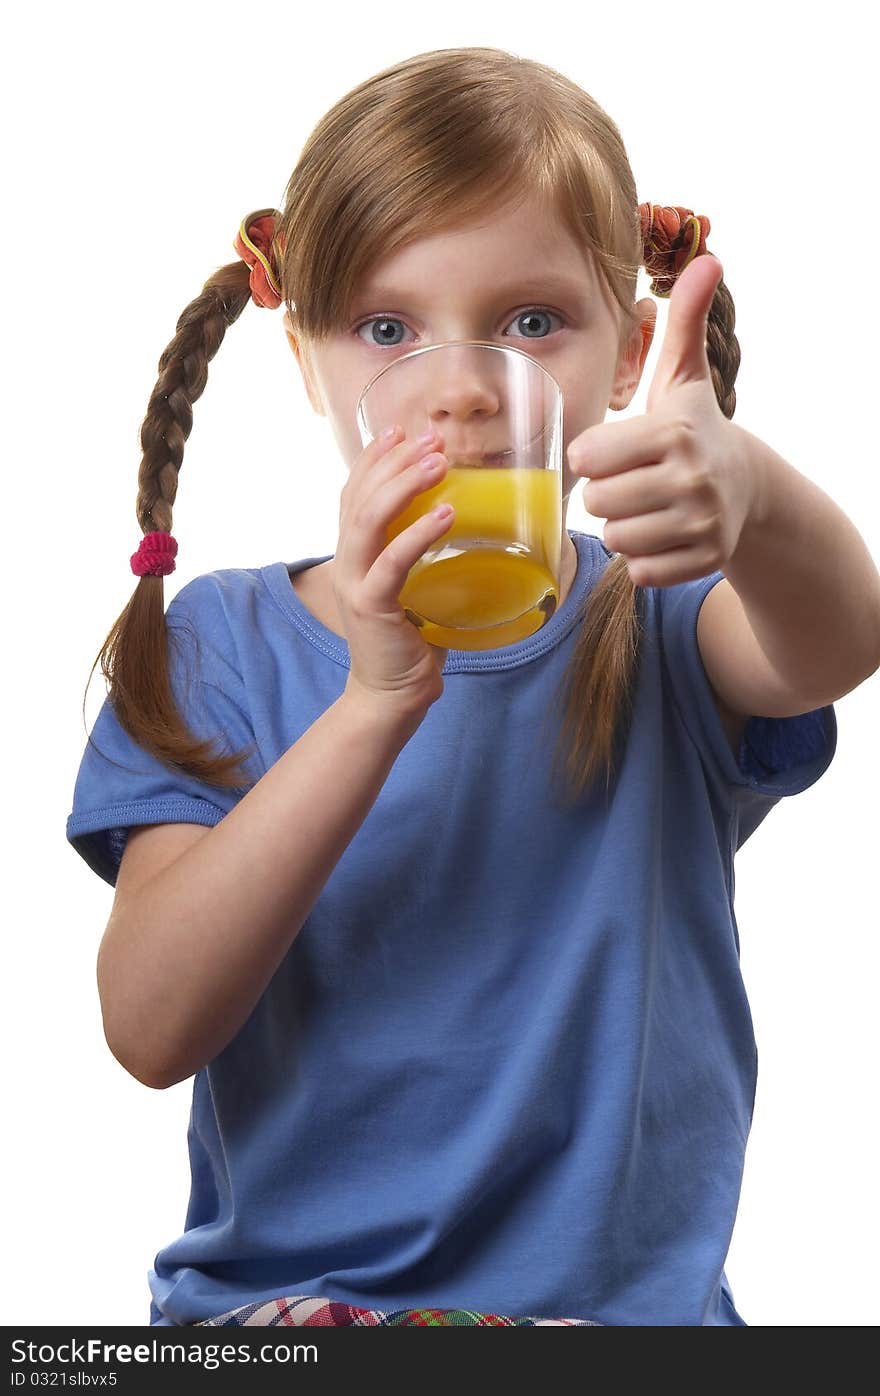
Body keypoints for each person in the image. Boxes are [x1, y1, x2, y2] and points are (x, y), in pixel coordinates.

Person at [66, 46, 875, 1327]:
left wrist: (757, 497)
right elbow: (151, 1026)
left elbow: (834, 642)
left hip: (617, 1319)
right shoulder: (220, 641)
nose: (459, 389)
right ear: (309, 364)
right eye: (387, 330)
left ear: (622, 355)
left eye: (530, 323)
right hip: (293, 1314)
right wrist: (375, 700)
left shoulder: (656, 610)